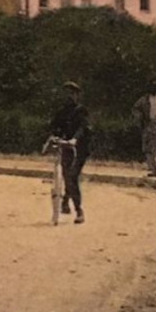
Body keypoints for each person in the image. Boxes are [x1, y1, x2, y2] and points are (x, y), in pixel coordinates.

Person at [49, 80, 90, 224]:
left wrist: (75, 139)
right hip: (65, 148)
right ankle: (65, 200)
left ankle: (79, 211)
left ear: (77, 95)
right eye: (66, 94)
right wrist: (53, 136)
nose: (69, 97)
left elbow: (83, 128)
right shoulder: (61, 112)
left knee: (72, 177)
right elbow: (55, 126)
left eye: (72, 93)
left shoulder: (81, 111)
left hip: (80, 149)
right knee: (67, 176)